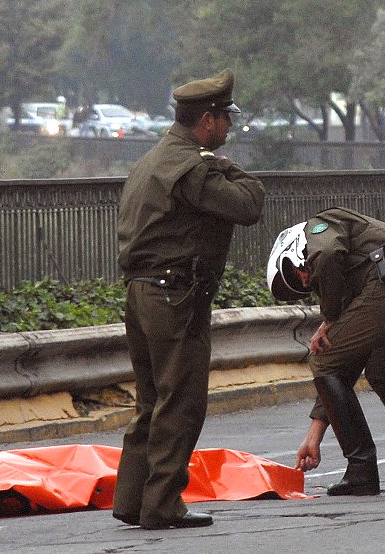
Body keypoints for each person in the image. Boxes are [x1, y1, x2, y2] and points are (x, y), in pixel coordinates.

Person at [112, 68, 265, 529]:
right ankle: (162, 505)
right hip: (175, 297)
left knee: (151, 400)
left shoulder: (154, 159)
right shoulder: (193, 168)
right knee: (181, 401)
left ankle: (132, 499)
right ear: (207, 121)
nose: (229, 128)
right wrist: (221, 164)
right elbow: (249, 205)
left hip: (141, 294)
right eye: (225, 119)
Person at [267, 207, 385, 496]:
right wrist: (314, 437)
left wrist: (330, 317)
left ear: (293, 247)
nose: (304, 283)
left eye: (294, 275)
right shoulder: (354, 281)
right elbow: (343, 366)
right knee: (381, 372)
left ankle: (361, 470)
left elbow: (328, 253)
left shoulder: (319, 226)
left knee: (322, 355)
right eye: (298, 287)